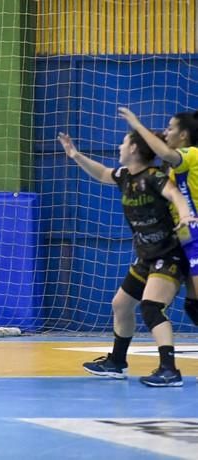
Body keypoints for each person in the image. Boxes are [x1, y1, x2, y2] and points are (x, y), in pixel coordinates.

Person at [58, 130, 195, 387]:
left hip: (168, 254)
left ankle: (169, 369)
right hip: (146, 256)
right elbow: (101, 173)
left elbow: (176, 195)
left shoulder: (154, 177)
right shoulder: (124, 176)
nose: (119, 146)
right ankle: (117, 362)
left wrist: (186, 214)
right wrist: (75, 155)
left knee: (151, 307)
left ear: (133, 149)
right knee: (121, 304)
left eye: (124, 142)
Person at [119, 108, 198, 327]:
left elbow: (164, 153)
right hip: (185, 238)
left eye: (170, 128)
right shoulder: (168, 168)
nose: (166, 132)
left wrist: (136, 124)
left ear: (183, 135)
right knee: (193, 306)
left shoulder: (191, 154)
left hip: (195, 233)